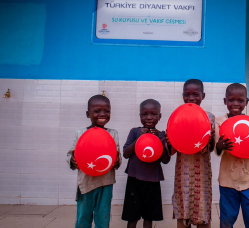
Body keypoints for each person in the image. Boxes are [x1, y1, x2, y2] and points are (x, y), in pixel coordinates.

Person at [215, 83, 249, 228]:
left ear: (246, 102)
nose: (235, 104)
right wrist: (220, 146)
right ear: (225, 101)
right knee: (226, 220)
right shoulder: (220, 122)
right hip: (227, 181)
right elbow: (216, 149)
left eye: (240, 100)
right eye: (231, 100)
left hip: (248, 181)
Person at [67, 95, 121, 228]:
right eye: (97, 111)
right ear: (88, 114)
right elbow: (70, 154)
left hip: (106, 183)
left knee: (103, 217)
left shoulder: (113, 134)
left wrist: (117, 161)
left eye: (106, 111)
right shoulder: (80, 133)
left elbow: (117, 157)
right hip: (86, 184)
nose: (102, 114)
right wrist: (73, 161)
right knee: (83, 217)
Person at [167, 79, 215, 228]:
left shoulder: (209, 117)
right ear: (182, 96)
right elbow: (171, 148)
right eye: (187, 94)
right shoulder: (177, 116)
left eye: (196, 94)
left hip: (202, 171)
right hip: (183, 172)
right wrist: (169, 141)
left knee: (203, 210)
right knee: (183, 209)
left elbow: (211, 147)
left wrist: (208, 139)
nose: (191, 98)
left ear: (203, 95)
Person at [121, 99, 171, 228]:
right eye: (144, 114)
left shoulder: (162, 135)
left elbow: (166, 160)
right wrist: (139, 139)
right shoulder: (134, 132)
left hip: (152, 181)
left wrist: (162, 140)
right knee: (132, 216)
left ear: (159, 116)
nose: (149, 117)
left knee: (149, 216)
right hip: (134, 179)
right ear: (140, 116)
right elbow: (126, 153)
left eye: (153, 114)